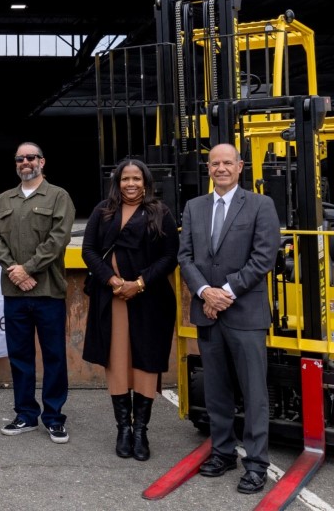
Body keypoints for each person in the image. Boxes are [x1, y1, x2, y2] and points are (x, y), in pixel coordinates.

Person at [177, 143, 280, 495]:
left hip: (245, 315)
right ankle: (222, 452)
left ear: (240, 167)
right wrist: (205, 292)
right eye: (214, 163)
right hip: (208, 311)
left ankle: (256, 464)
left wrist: (224, 293)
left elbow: (264, 257)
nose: (220, 168)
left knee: (254, 393)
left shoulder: (261, 205)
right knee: (217, 389)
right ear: (208, 168)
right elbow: (185, 257)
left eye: (227, 163)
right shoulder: (194, 207)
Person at [81, 159, 179, 461]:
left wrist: (139, 283)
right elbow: (89, 250)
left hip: (150, 299)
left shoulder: (160, 213)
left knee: (146, 361)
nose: (131, 184)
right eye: (125, 179)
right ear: (117, 182)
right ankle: (123, 429)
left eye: (137, 178)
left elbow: (170, 256)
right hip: (112, 298)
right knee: (118, 359)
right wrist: (111, 280)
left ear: (146, 182)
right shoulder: (103, 211)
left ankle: (140, 431)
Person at [0, 142, 75, 443]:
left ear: (42, 161)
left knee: (54, 357)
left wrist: (28, 269)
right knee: (20, 357)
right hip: (15, 294)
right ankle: (25, 414)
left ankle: (54, 417)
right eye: (20, 159)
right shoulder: (4, 199)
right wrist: (15, 270)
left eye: (31, 157)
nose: (25, 162)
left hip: (48, 292)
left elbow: (58, 239)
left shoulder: (58, 196)